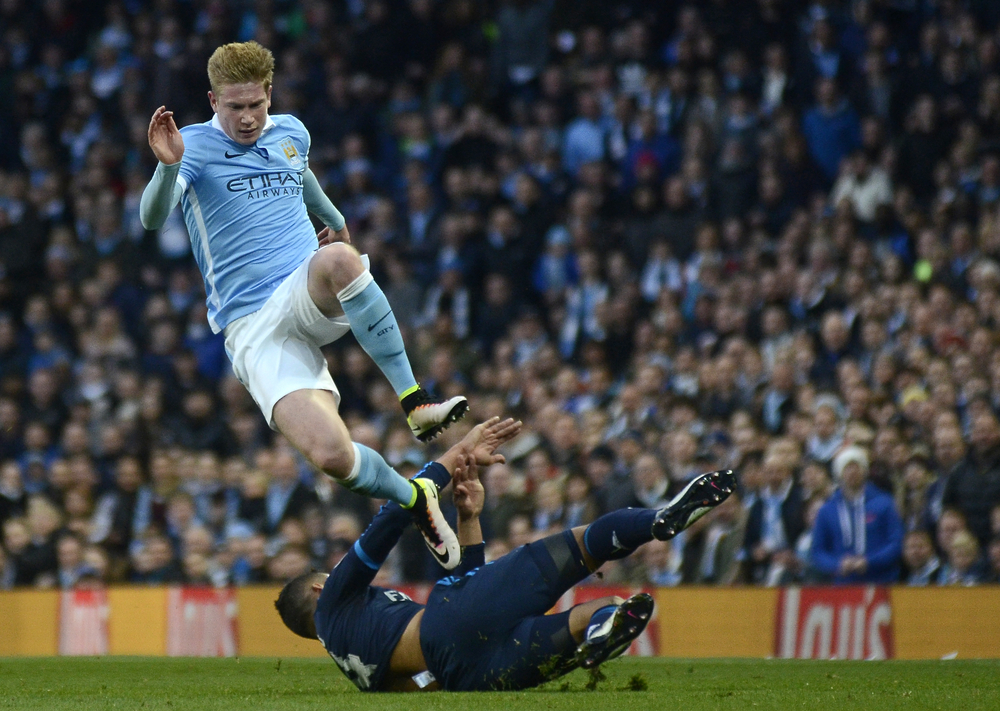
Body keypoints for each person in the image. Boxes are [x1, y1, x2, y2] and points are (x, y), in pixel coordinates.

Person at [138, 42, 468, 568]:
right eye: (233, 106)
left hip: (300, 284)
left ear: (269, 94)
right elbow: (153, 220)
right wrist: (165, 168)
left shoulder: (292, 131)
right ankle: (414, 498)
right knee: (333, 456)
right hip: (251, 325)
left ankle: (415, 401)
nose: (246, 118)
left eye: (255, 104)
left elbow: (305, 180)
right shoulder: (191, 147)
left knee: (340, 258)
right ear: (212, 99)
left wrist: (336, 221)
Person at [274, 416, 737, 692]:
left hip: (464, 669)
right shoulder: (334, 596)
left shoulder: (353, 668)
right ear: (320, 586)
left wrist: (469, 517)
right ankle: (659, 519)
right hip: (446, 621)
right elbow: (397, 512)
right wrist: (457, 451)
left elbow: (428, 682)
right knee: (581, 545)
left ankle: (603, 630)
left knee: (592, 617)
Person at [810, 446, 904, 584]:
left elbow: (896, 542)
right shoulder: (827, 510)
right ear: (839, 473)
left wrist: (870, 562)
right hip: (843, 586)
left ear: (865, 471)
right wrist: (837, 564)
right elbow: (818, 551)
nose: (852, 472)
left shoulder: (884, 503)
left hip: (882, 582)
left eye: (857, 467)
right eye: (847, 468)